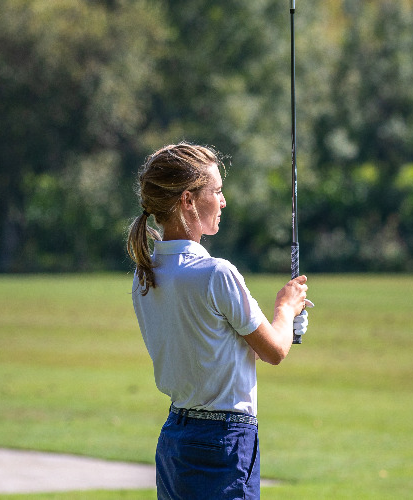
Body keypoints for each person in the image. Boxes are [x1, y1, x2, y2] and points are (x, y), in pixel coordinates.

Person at [127, 142, 312, 500]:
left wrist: (285, 324)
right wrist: (286, 311)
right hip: (224, 439)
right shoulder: (216, 273)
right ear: (188, 200)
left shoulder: (145, 275)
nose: (223, 201)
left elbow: (224, 348)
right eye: (217, 191)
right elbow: (274, 351)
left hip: (175, 438)